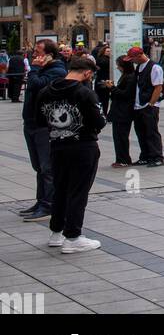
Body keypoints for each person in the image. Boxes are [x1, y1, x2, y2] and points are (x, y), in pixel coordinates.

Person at [35, 52, 106, 253]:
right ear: (86, 73)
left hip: (57, 146)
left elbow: (40, 121)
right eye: (90, 74)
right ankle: (73, 237)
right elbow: (99, 121)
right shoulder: (84, 93)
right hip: (83, 146)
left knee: (60, 189)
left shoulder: (46, 92)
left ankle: (56, 232)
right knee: (78, 192)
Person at [20, 39, 68, 222]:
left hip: (44, 125)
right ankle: (41, 201)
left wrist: (34, 69)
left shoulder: (57, 71)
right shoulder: (44, 69)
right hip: (31, 122)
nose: (34, 55)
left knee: (47, 167)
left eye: (38, 52)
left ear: (50, 54)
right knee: (38, 166)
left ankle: (49, 204)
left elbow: (35, 85)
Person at [126, 45, 164, 165]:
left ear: (139, 56)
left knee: (151, 132)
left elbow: (158, 87)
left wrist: (151, 104)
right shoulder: (139, 67)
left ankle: (157, 157)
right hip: (139, 105)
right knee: (141, 132)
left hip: (148, 106)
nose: (132, 61)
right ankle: (145, 156)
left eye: (132, 58)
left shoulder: (155, 68)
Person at [107, 55, 137, 166]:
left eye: (118, 65)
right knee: (118, 136)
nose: (117, 67)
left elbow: (125, 94)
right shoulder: (126, 76)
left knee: (121, 136)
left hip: (123, 112)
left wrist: (112, 88)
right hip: (120, 110)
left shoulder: (129, 77)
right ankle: (121, 159)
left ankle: (123, 159)